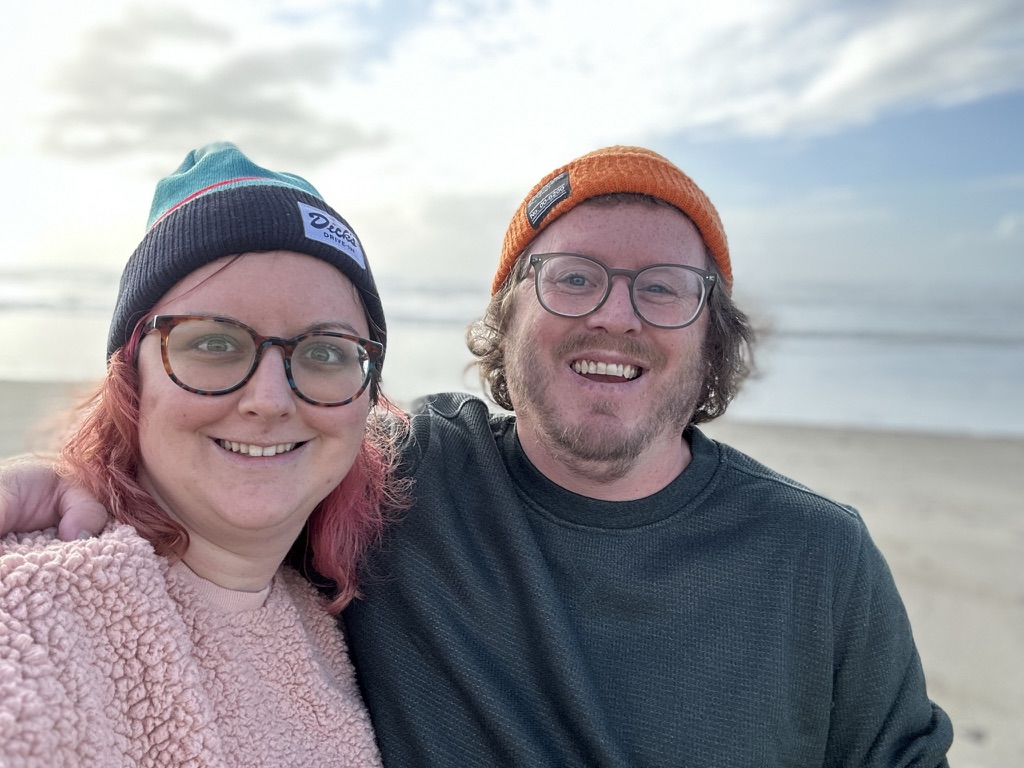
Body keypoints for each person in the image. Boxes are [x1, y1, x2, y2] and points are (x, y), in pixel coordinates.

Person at [1, 146, 952, 767]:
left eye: (665, 289)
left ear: (713, 336)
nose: (615, 314)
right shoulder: (408, 475)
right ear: (507, 317)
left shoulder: (821, 558)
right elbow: (240, 457)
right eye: (571, 278)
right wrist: (88, 476)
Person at [0, 142, 407, 766]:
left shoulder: (331, 620)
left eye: (325, 352)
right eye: (214, 343)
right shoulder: (33, 618)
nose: (269, 400)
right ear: (131, 379)